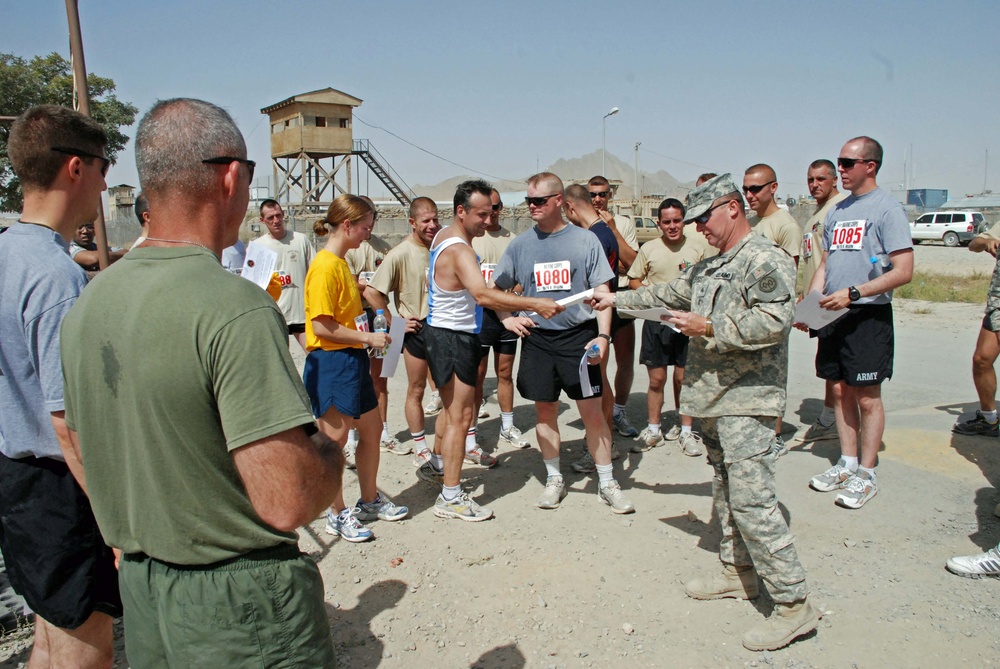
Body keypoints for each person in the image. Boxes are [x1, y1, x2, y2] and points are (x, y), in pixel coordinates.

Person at [60, 98, 342, 666]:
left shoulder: (91, 303)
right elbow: (287, 499)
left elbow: (75, 438)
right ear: (232, 177)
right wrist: (330, 451)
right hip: (240, 604)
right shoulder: (231, 307)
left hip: (144, 590)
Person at [591, 174, 818, 651]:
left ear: (732, 208)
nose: (699, 228)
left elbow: (776, 323)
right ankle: (739, 572)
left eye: (704, 218)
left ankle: (795, 605)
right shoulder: (712, 264)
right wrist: (616, 298)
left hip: (749, 399)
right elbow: (668, 293)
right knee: (726, 493)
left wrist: (709, 324)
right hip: (713, 398)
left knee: (755, 503)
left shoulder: (764, 258)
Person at [0, 104, 121, 668]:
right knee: (85, 646)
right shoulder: (56, 279)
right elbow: (66, 421)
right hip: (59, 486)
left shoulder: (9, 252)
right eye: (102, 165)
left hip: (18, 477)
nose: (105, 181)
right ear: (76, 168)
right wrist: (116, 520)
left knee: (51, 636)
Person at [418, 180, 563, 520]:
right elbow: (482, 294)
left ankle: (437, 464)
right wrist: (533, 304)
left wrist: (508, 317)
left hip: (444, 333)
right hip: (453, 338)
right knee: (460, 417)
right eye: (481, 214)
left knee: (453, 409)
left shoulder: (443, 237)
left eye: (492, 212)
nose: (489, 220)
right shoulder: (459, 249)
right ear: (460, 212)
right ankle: (451, 497)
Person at [492, 173, 635, 514]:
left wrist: (601, 336)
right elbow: (495, 291)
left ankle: (607, 481)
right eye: (529, 200)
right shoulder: (521, 245)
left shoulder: (586, 242)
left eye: (539, 200)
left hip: (579, 339)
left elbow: (603, 293)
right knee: (545, 412)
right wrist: (506, 319)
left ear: (559, 201)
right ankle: (554, 478)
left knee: (593, 414)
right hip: (539, 341)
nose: (531, 206)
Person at [804, 137, 914, 509]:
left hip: (867, 314)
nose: (841, 170)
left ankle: (867, 473)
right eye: (839, 163)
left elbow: (904, 271)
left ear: (870, 165)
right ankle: (847, 461)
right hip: (834, 313)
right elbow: (826, 262)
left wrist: (854, 292)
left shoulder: (888, 210)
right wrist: (812, 306)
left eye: (847, 163)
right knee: (839, 391)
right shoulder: (837, 210)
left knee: (868, 396)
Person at [304, 194, 408, 542]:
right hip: (332, 362)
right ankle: (336, 512)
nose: (368, 233)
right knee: (333, 444)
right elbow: (320, 326)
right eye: (365, 227)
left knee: (372, 429)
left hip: (352, 359)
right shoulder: (324, 267)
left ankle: (369, 499)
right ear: (347, 225)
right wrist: (369, 340)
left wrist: (372, 328)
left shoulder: (341, 263)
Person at [364, 198, 453, 465]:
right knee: (414, 389)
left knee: (447, 389)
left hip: (443, 328)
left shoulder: (443, 248)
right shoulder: (400, 252)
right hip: (413, 330)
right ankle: (419, 446)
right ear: (412, 223)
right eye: (425, 221)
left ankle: (451, 442)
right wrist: (394, 321)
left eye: (435, 219)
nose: (432, 225)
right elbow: (372, 292)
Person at [626, 197, 711, 455]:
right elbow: (633, 280)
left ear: (683, 221)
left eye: (677, 220)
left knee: (684, 378)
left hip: (688, 321)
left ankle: (686, 430)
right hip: (657, 322)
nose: (672, 226)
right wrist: (651, 296)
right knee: (657, 379)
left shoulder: (699, 247)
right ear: (659, 224)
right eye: (666, 222)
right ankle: (654, 428)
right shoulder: (648, 248)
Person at [562, 184, 623, 470]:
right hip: (599, 315)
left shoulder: (595, 236)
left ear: (571, 207)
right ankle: (603, 445)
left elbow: (602, 284)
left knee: (598, 387)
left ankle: (601, 448)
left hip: (598, 317)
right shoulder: (601, 231)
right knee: (601, 383)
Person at [344, 197, 409, 458]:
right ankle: (351, 437)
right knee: (354, 377)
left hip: (380, 317)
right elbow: (350, 284)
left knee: (380, 379)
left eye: (372, 219)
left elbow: (393, 281)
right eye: (365, 220)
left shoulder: (384, 249)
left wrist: (372, 287)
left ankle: (383, 432)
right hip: (354, 318)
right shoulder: (349, 249)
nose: (369, 226)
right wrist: (370, 286)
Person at [743, 164, 802, 449]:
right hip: (749, 311)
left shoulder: (785, 224)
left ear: (773, 188)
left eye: (755, 188)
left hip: (772, 312)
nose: (749, 195)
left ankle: (774, 436)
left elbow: (789, 273)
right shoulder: (751, 223)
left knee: (774, 378)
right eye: (745, 189)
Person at [471, 188, 532, 450]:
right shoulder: (472, 239)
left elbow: (522, 278)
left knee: (505, 372)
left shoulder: (514, 240)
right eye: (487, 208)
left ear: (501, 208)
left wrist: (511, 294)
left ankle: (507, 426)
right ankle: (471, 432)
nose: (492, 213)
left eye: (495, 207)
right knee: (477, 375)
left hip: (508, 315)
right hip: (481, 315)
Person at [795, 159, 848, 444]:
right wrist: (805, 293)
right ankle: (831, 416)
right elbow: (811, 258)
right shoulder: (816, 212)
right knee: (829, 363)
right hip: (817, 298)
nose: (815, 185)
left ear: (834, 180)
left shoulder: (840, 209)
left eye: (820, 179)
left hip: (831, 300)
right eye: (810, 180)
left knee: (837, 366)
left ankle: (834, 419)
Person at [587, 176, 641, 438]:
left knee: (625, 358)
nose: (598, 199)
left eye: (602, 194)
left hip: (621, 294)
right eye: (593, 195)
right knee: (598, 360)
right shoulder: (582, 226)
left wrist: (613, 232)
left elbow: (631, 265)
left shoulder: (624, 224)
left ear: (610, 196)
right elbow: (602, 267)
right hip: (596, 296)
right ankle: (600, 417)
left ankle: (619, 410)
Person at [952, 219, 1000, 437]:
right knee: (982, 359)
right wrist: (989, 243)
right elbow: (975, 244)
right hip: (998, 302)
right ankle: (989, 419)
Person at [248, 199, 315, 349]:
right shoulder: (258, 247)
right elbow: (251, 285)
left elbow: (315, 272)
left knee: (314, 358)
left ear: (283, 214)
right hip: (275, 314)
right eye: (270, 218)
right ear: (262, 220)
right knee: (281, 362)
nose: (276, 221)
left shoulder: (300, 240)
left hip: (301, 313)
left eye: (278, 215)